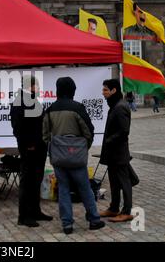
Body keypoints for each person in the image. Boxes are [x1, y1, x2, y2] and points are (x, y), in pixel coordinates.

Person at [43, 77, 105, 235]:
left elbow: (44, 136)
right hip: (76, 156)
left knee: (63, 189)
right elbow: (88, 132)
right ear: (73, 89)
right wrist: (83, 148)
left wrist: (54, 148)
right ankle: (94, 220)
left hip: (58, 158)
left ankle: (67, 224)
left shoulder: (50, 110)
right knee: (84, 187)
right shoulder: (78, 108)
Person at [10, 75, 52, 227]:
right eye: (36, 86)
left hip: (39, 147)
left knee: (37, 180)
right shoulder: (19, 102)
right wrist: (28, 144)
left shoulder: (33, 100)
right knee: (27, 182)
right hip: (29, 148)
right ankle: (24, 216)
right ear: (29, 86)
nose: (38, 88)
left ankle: (35, 211)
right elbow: (18, 127)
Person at [99, 79, 134, 222]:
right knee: (113, 181)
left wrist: (109, 140)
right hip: (112, 153)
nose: (103, 92)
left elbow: (124, 131)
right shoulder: (114, 106)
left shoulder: (120, 107)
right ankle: (113, 208)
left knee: (124, 182)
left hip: (119, 152)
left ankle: (126, 211)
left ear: (114, 90)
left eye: (105, 90)